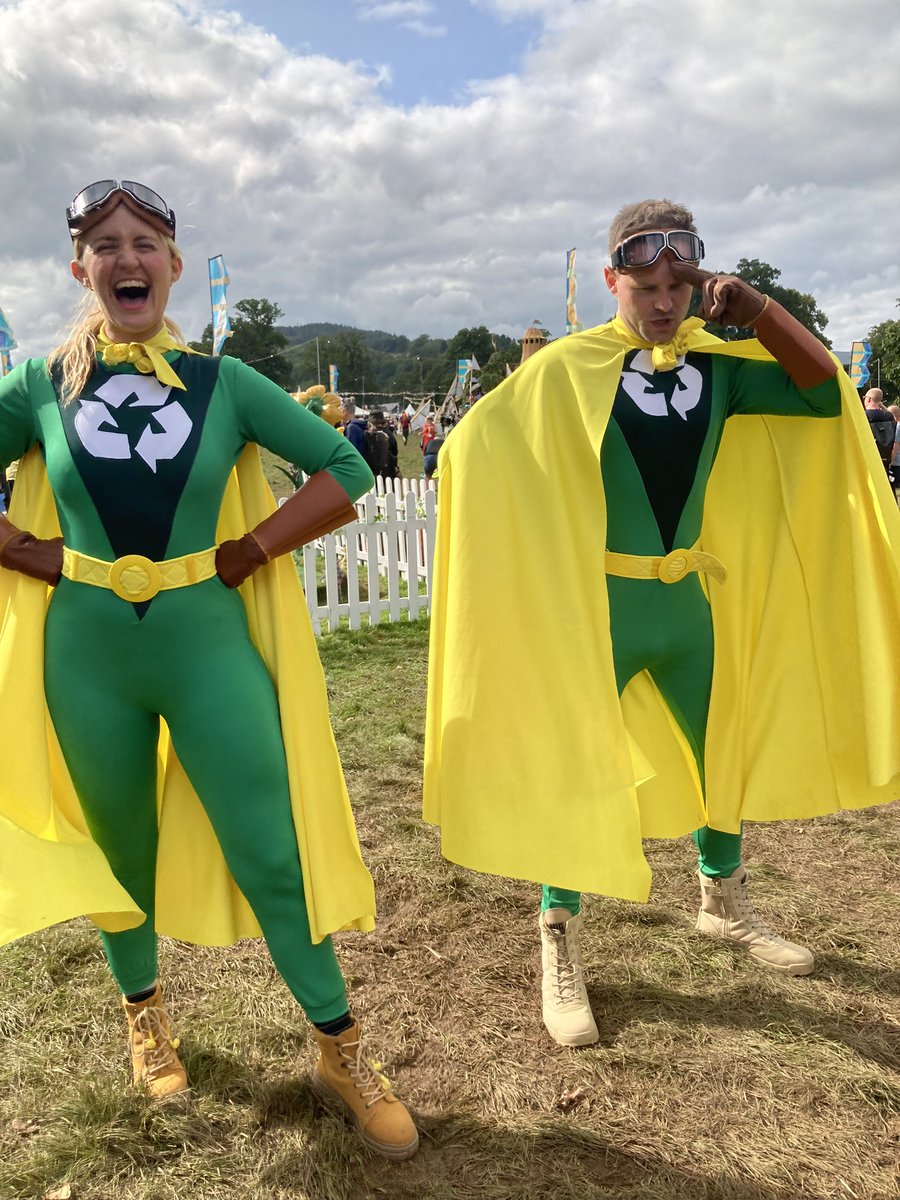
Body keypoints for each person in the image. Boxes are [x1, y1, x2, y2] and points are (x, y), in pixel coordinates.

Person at [0, 180, 418, 1159]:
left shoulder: (223, 383)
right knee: (122, 850)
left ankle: (340, 1045)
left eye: (143, 240)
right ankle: (144, 1016)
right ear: (81, 268)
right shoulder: (40, 386)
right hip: (86, 656)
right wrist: (26, 549)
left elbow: (347, 471)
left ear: (173, 264)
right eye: (104, 243)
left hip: (207, 645)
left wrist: (254, 547)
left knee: (272, 848)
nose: (126, 257)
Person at [424, 199, 900, 1047]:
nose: (662, 301)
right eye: (645, 284)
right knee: (575, 762)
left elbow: (825, 393)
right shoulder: (566, 369)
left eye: (678, 284)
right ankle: (558, 935)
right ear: (614, 281)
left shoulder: (721, 369)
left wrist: (755, 311)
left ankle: (722, 899)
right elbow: (469, 451)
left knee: (723, 742)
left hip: (690, 605)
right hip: (598, 610)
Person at [863, 387, 896, 476]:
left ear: (869, 399)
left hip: (867, 457)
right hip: (884, 457)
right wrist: (879, 403)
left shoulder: (864, 415)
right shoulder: (889, 417)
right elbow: (894, 416)